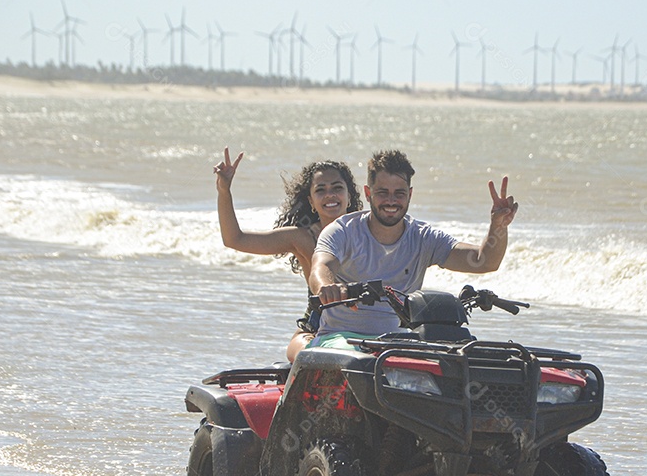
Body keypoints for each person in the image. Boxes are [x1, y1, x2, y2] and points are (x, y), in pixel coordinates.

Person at [309, 149, 518, 346]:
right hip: (338, 339)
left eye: (399, 193)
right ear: (368, 193)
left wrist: (497, 226)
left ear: (410, 194)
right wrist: (327, 287)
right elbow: (321, 267)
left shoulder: (424, 238)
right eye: (383, 192)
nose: (391, 201)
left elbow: (485, 261)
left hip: (393, 341)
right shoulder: (343, 231)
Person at [213, 146, 363, 360]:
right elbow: (234, 239)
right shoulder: (301, 238)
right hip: (315, 330)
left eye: (337, 187)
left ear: (349, 196)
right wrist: (224, 191)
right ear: (311, 201)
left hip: (365, 328)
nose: (330, 194)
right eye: (320, 190)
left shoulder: (369, 233)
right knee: (316, 358)